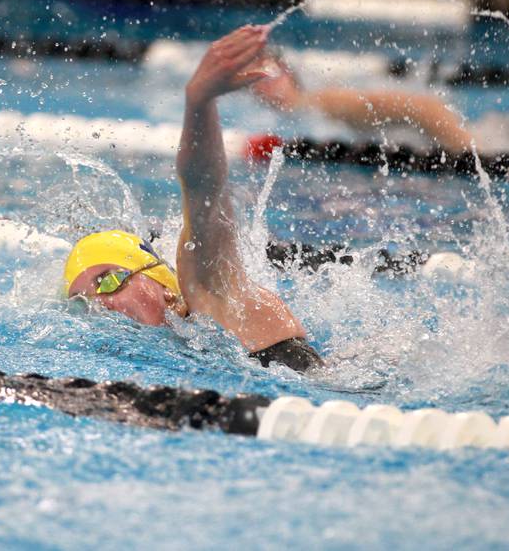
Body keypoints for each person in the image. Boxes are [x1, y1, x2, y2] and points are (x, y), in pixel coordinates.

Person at [63, 25, 323, 373]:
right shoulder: (177, 348)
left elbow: (204, 191)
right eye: (83, 304)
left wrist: (199, 100)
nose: (100, 305)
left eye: (108, 281)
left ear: (162, 285)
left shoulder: (215, 297)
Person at [250, 52, 476, 153]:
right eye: (253, 78)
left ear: (288, 73)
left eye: (269, 73)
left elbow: (424, 107)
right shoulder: (283, 119)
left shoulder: (324, 103)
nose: (263, 84)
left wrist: (470, 151)